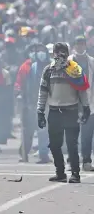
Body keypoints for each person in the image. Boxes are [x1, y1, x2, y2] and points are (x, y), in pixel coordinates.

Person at [37, 42, 91, 183]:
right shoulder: (48, 70)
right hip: (54, 112)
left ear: (67, 53)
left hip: (71, 111)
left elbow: (82, 90)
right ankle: (60, 173)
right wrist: (40, 111)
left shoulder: (74, 69)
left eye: (63, 51)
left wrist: (86, 107)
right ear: (53, 54)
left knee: (72, 144)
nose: (60, 54)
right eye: (58, 51)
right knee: (55, 145)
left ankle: (75, 174)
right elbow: (43, 92)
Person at [69, 36, 94, 171]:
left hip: (88, 103)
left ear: (85, 45)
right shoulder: (68, 62)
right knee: (71, 133)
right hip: (71, 102)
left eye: (82, 44)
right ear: (74, 45)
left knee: (87, 134)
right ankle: (71, 161)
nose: (80, 46)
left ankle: (86, 161)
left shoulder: (91, 62)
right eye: (78, 44)